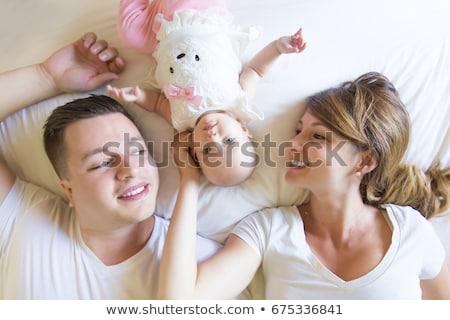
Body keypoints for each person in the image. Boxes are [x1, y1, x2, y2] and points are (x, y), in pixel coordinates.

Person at [158, 72, 450, 299]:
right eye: (298, 130)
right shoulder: (268, 231)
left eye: (318, 137)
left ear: (364, 161)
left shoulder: (411, 232)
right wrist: (189, 179)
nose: (292, 144)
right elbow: (176, 303)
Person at [0, 32, 220, 299]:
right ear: (69, 191)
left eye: (138, 151)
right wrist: (47, 77)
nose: (130, 170)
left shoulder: (203, 266)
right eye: (103, 162)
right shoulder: (25, 221)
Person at [108, 2, 306, 186]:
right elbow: (256, 70)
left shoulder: (179, 119)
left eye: (208, 150)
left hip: (162, 34)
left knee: (130, 32)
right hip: (202, 21)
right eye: (229, 141)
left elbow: (158, 103)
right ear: (243, 129)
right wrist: (278, 48)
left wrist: (137, 96)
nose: (213, 137)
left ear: (195, 150)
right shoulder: (238, 101)